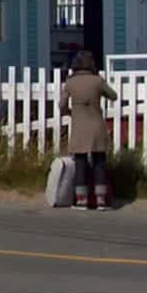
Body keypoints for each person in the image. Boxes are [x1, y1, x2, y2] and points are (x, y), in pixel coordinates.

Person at [61, 49, 117, 210]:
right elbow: (113, 96)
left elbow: (62, 105)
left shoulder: (70, 82)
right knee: (100, 162)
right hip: (97, 125)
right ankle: (101, 200)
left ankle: (81, 200)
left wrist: (70, 113)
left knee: (80, 162)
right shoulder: (97, 81)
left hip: (79, 127)